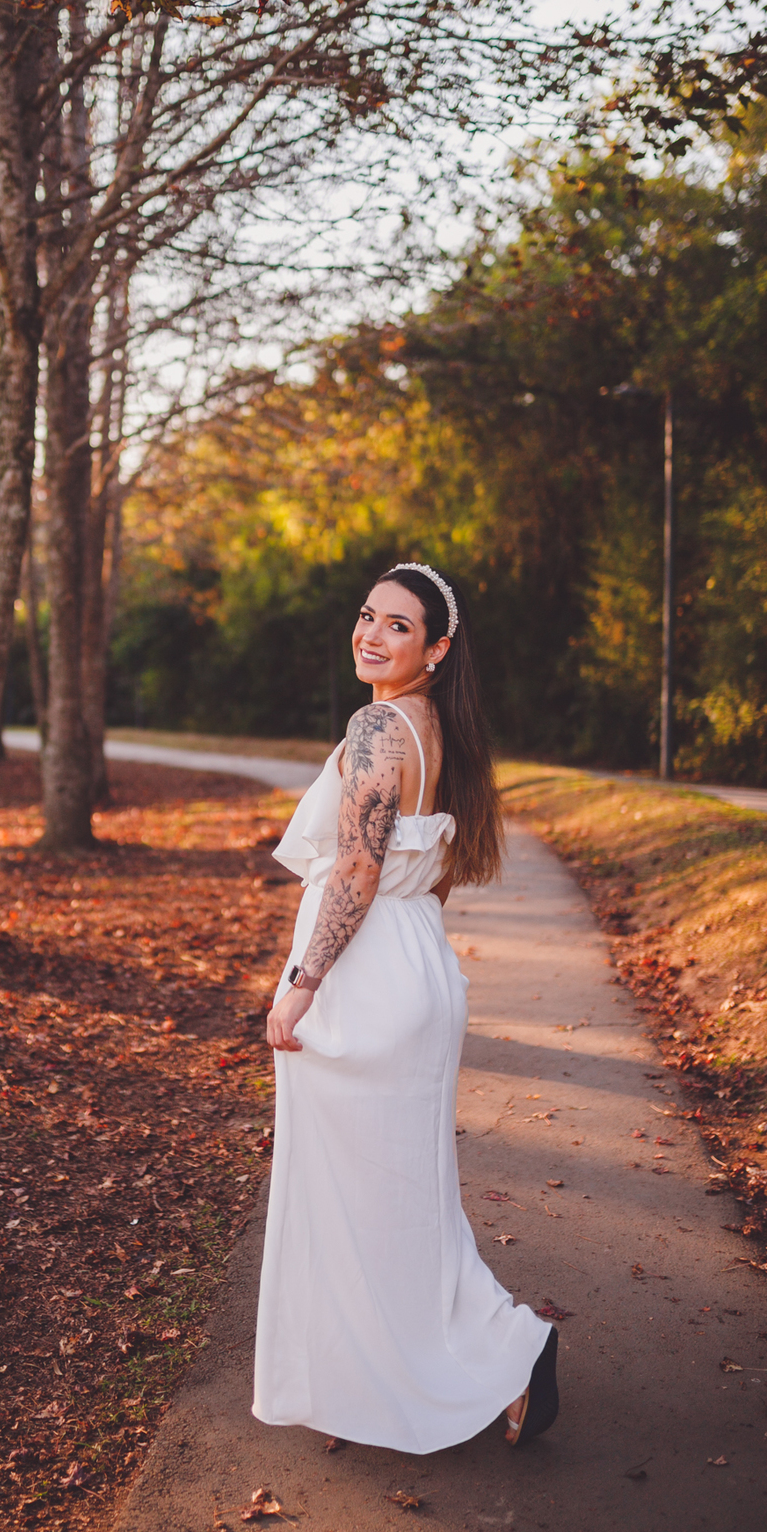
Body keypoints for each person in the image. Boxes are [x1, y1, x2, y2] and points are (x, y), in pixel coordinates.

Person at [252, 561, 559, 1452]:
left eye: (397, 626)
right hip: (413, 963)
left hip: (365, 980)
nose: (371, 635)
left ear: (436, 647)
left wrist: (302, 986)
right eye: (367, 616)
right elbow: (429, 869)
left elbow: (357, 868)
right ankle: (462, 1366)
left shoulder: (381, 724)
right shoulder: (439, 726)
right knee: (403, 1199)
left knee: (364, 1203)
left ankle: (488, 1359)